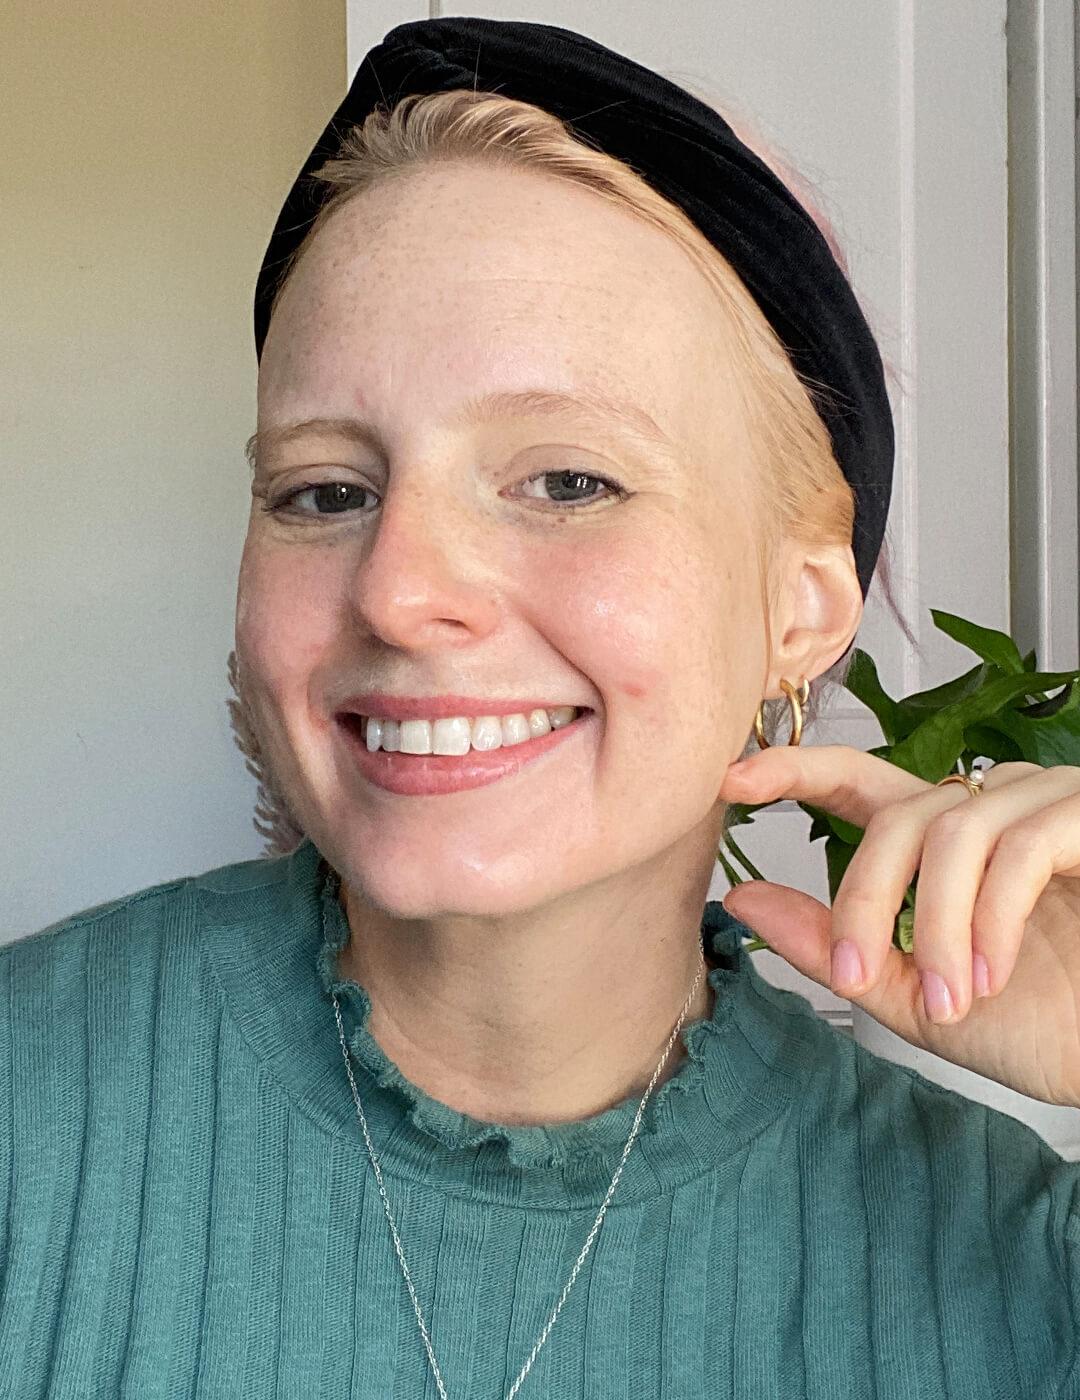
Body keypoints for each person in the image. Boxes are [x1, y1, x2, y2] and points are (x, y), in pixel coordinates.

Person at [4, 17, 1080, 1399]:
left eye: (568, 481)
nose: (397, 592)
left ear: (800, 609)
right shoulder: (27, 1125)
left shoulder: (1022, 1272)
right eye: (325, 491)